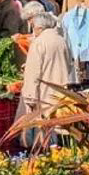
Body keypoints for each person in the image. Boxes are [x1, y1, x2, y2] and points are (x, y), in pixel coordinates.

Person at [20, 12, 72, 146]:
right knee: (59, 124)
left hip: (43, 92)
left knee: (43, 127)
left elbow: (33, 72)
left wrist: (29, 97)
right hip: (61, 89)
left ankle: (45, 153)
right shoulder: (61, 40)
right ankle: (59, 151)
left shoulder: (39, 43)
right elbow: (69, 64)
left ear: (39, 28)